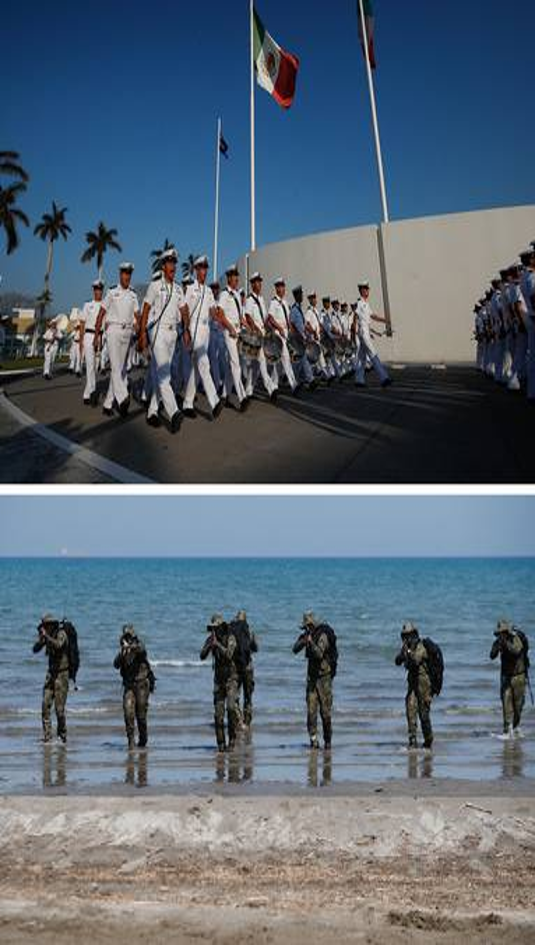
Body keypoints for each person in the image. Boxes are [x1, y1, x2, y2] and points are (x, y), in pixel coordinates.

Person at [139, 247, 184, 433]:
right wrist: (142, 334)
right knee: (164, 373)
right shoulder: (155, 286)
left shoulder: (179, 288)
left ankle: (152, 412)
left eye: (174, 263)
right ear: (164, 266)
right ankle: (174, 412)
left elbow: (183, 309)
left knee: (161, 373)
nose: (173, 266)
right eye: (170, 263)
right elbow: (146, 309)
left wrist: (187, 329)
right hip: (157, 332)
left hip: (173, 334)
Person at [181, 256, 223, 421]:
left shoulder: (208, 291)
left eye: (206, 269)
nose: (204, 272)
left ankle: (187, 403)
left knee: (197, 370)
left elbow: (212, 311)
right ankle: (215, 401)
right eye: (201, 268)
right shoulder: (190, 289)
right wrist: (186, 329)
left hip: (206, 331)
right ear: (196, 270)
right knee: (204, 364)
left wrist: (218, 317)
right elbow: (184, 308)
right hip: (194, 329)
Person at [95, 262, 140, 418]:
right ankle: (122, 398)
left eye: (129, 274)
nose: (127, 276)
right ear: (120, 274)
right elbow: (101, 313)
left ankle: (108, 405)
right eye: (124, 273)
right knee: (115, 367)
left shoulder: (133, 294)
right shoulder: (112, 292)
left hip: (127, 332)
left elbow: (137, 314)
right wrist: (97, 336)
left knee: (119, 370)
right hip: (113, 330)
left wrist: (140, 330)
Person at [293, 612, 336, 751]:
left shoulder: (322, 635)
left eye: (307, 627)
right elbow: (294, 649)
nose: (306, 629)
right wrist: (304, 640)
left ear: (311, 625)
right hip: (312, 679)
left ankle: (328, 741)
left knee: (325, 713)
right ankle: (313, 740)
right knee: (311, 712)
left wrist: (311, 642)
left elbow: (319, 654)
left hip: (324, 679)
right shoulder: (308, 635)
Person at [200, 614, 240, 753]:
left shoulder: (230, 638)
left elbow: (229, 655)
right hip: (218, 680)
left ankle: (233, 739)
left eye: (215, 628)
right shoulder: (211, 639)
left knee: (230, 708)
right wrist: (209, 645)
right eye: (211, 628)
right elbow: (201, 656)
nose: (213, 631)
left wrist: (218, 645)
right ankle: (221, 743)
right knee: (218, 715)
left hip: (231, 679)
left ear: (221, 627)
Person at [114, 625, 155, 751]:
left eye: (129, 636)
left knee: (141, 716)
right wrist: (122, 653)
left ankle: (143, 739)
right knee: (128, 712)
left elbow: (142, 650)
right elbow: (115, 664)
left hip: (142, 684)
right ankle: (131, 742)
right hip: (129, 686)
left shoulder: (138, 644)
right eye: (125, 636)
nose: (127, 639)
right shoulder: (123, 650)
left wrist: (130, 647)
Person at [32, 614, 71, 744]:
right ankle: (47, 737)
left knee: (59, 709)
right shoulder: (47, 636)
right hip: (51, 674)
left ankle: (62, 735)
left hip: (62, 674)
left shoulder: (61, 634)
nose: (44, 628)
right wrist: (41, 639)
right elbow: (35, 650)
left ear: (51, 625)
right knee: (45, 705)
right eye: (43, 626)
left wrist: (47, 637)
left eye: (46, 626)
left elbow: (59, 645)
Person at [395, 622, 434, 751]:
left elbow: (416, 661)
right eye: (404, 636)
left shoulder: (421, 647)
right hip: (412, 685)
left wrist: (409, 651)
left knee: (424, 715)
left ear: (414, 635)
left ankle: (428, 741)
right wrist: (402, 655)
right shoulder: (407, 647)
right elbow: (397, 661)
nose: (406, 639)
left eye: (408, 636)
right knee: (410, 710)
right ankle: (412, 741)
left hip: (424, 686)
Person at [216, 265, 249, 411]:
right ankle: (242, 398)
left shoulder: (236, 294)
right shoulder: (224, 295)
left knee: (233, 366)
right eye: (234, 276)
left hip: (237, 331)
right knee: (236, 364)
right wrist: (230, 328)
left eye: (237, 275)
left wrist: (246, 325)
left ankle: (224, 395)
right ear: (229, 278)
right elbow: (220, 315)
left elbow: (240, 315)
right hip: (229, 333)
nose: (236, 278)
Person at [490, 620, 529, 737]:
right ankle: (507, 730)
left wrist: (506, 643)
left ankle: (516, 727)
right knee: (506, 704)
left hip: (519, 677)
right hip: (506, 677)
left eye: (502, 632)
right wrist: (497, 646)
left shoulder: (516, 638)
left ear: (506, 631)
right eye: (499, 633)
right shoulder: (499, 641)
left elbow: (516, 651)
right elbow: (491, 656)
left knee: (518, 706)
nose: (500, 635)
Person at [243, 272, 278, 402]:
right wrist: (255, 328)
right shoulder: (249, 300)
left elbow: (264, 319)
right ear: (252, 284)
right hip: (254, 335)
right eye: (257, 281)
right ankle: (271, 389)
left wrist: (269, 329)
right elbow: (247, 316)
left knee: (255, 366)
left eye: (260, 281)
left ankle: (248, 390)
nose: (259, 284)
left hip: (262, 334)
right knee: (262, 361)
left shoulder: (262, 300)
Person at [355, 282, 392, 388]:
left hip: (365, 331)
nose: (367, 291)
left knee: (362, 357)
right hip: (363, 332)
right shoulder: (359, 303)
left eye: (368, 289)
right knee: (373, 353)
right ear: (362, 291)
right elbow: (355, 316)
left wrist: (384, 320)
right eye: (365, 289)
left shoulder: (366, 304)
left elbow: (372, 316)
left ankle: (359, 379)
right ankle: (384, 377)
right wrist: (355, 331)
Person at [267, 278, 299, 394]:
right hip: (278, 334)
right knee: (286, 358)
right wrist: (279, 328)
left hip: (285, 333)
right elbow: (270, 318)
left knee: (279, 364)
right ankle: (294, 384)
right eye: (280, 286)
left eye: (283, 286)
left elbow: (288, 318)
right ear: (276, 288)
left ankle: (273, 384)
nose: (282, 289)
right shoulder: (273, 302)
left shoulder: (285, 302)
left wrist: (290, 329)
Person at [232, 610, 259, 731]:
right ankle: (247, 723)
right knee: (248, 697)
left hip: (236, 668)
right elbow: (255, 648)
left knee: (235, 696)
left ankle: (239, 721)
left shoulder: (232, 632)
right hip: (248, 667)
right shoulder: (249, 632)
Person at [81, 280, 105, 406]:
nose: (98, 292)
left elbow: (105, 324)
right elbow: (82, 323)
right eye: (96, 289)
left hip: (100, 336)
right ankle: (93, 392)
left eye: (100, 289)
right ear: (93, 290)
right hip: (89, 336)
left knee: (94, 367)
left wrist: (103, 340)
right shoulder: (87, 305)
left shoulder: (105, 306)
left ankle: (86, 393)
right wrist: (80, 342)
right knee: (90, 365)